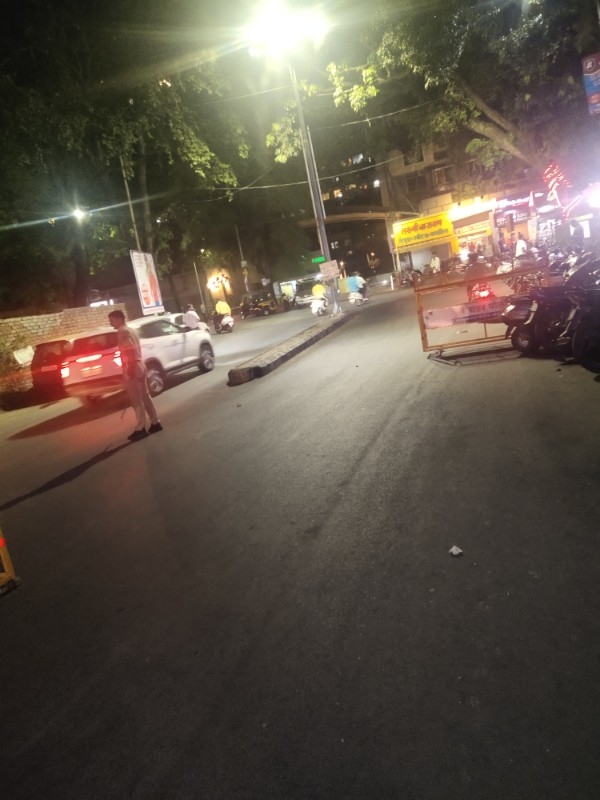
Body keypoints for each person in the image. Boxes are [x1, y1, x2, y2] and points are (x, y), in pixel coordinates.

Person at [108, 310, 162, 441]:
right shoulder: (132, 330)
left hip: (132, 366)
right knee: (145, 396)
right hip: (140, 365)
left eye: (112, 320)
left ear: (119, 319)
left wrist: (130, 369)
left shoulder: (122, 332)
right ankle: (155, 422)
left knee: (136, 400)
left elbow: (129, 349)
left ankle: (140, 428)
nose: (110, 323)